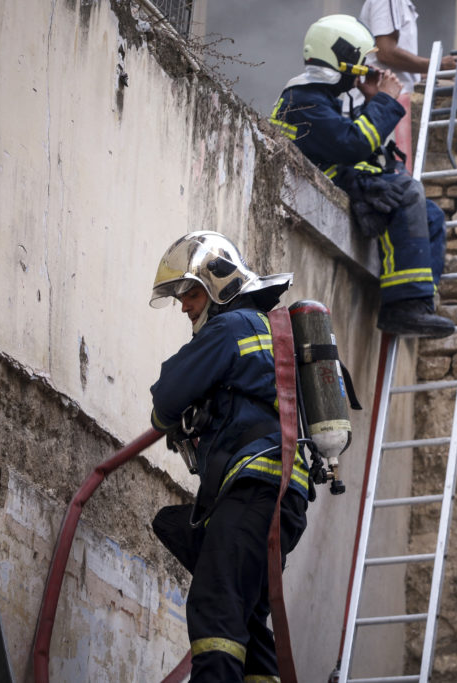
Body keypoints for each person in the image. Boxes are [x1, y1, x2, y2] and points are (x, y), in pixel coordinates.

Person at [148, 231, 310, 682]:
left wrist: (170, 417)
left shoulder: (233, 326)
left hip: (253, 488)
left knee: (215, 603)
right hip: (286, 498)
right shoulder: (273, 335)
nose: (185, 306)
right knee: (247, 620)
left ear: (220, 287)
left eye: (192, 293)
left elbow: (168, 397)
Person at [269, 14, 455, 338]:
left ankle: (418, 303)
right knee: (407, 192)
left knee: (432, 215)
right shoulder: (302, 99)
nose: (364, 69)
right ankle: (403, 307)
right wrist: (383, 100)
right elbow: (352, 144)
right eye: (361, 61)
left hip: (342, 176)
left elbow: (357, 140)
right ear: (343, 59)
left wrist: (371, 100)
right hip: (329, 181)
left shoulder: (322, 98)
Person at [358, 0, 457, 172]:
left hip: (386, 109)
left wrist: (436, 71)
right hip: (378, 107)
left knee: (395, 181)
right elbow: (385, 52)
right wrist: (436, 64)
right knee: (386, 181)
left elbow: (401, 73)